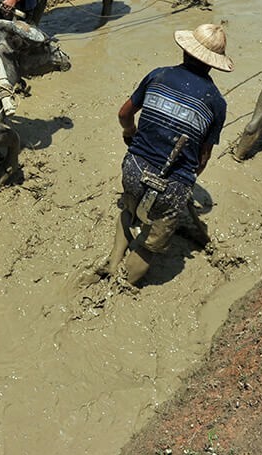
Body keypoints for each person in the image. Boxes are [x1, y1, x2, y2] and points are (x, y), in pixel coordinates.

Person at [87, 24, 232, 287]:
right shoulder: (217, 104)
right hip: (172, 187)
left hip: (133, 168)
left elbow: (123, 115)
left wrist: (130, 134)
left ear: (186, 50)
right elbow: (203, 159)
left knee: (129, 207)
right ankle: (121, 286)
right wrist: (184, 184)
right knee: (152, 242)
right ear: (213, 64)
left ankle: (113, 260)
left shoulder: (158, 75)